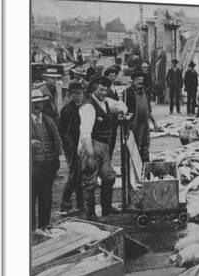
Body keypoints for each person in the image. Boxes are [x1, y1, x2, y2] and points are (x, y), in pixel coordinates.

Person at [78, 76, 127, 219]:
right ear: (93, 89)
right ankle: (90, 214)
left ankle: (106, 209)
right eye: (101, 89)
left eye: (106, 89)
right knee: (90, 182)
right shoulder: (88, 107)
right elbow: (85, 133)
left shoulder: (106, 102)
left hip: (104, 147)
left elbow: (121, 105)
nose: (104, 92)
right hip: (91, 146)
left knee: (109, 176)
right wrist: (90, 152)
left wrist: (122, 110)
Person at [31, 89, 63, 231]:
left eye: (39, 103)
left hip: (48, 165)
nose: (37, 106)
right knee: (30, 197)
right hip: (32, 166)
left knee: (46, 196)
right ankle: (30, 229)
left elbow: (57, 139)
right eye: (34, 104)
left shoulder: (49, 120)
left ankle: (44, 225)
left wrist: (56, 156)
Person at [58, 81, 84, 215]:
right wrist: (69, 146)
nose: (78, 96)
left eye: (80, 93)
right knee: (74, 175)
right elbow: (62, 130)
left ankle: (80, 203)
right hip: (72, 147)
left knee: (80, 175)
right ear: (70, 94)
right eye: (75, 94)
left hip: (80, 144)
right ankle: (65, 203)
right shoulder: (67, 109)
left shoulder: (82, 107)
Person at [124, 71, 157, 163]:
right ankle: (135, 164)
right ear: (133, 80)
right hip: (134, 123)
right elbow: (124, 109)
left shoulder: (145, 91)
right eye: (138, 79)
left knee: (146, 143)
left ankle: (145, 163)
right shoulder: (128, 92)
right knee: (134, 145)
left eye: (142, 80)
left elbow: (148, 108)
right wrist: (128, 125)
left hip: (145, 122)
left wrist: (154, 122)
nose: (140, 82)